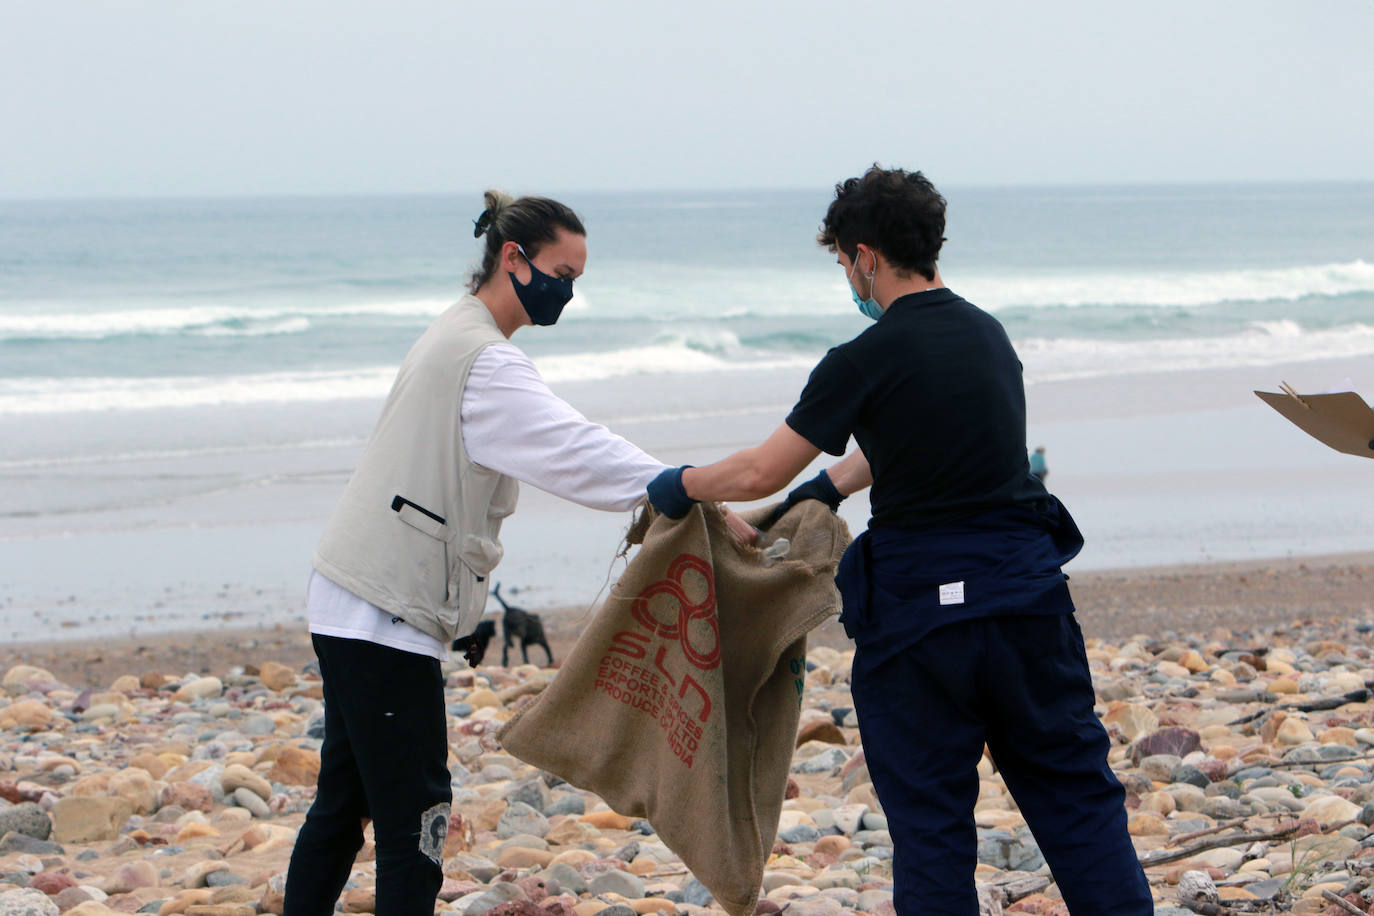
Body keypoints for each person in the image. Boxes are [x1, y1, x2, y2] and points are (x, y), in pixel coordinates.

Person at [646, 166, 1151, 915]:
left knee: (931, 826)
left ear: (866, 257)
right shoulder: (987, 336)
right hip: (1024, 599)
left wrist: (677, 484)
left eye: (845, 263)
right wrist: (823, 490)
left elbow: (757, 468)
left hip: (921, 622)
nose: (848, 278)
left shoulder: (864, 358)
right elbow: (918, 438)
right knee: (1078, 802)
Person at [284, 191, 676, 915]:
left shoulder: (455, 331)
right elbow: (573, 450)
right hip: (383, 607)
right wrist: (677, 485)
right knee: (419, 822)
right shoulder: (486, 363)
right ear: (512, 258)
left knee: (343, 802)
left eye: (578, 280)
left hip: (349, 591)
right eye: (562, 272)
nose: (568, 292)